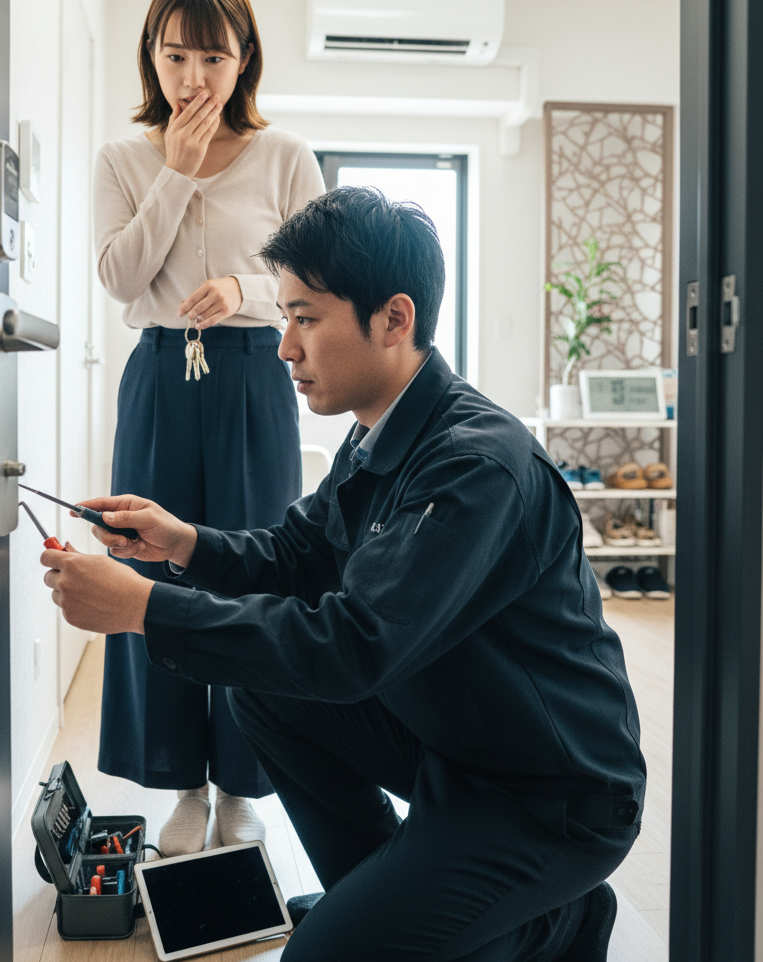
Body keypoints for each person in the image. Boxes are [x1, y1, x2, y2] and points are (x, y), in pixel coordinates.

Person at [46, 187, 646, 962]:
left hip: (550, 793)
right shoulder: (379, 433)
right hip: (462, 742)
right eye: (286, 317)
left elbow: (353, 646)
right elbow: (297, 555)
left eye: (304, 319)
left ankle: (551, 921)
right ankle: (386, 889)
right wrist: (182, 542)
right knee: (259, 685)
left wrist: (148, 610)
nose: (283, 347)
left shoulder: (475, 466)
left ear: (393, 319)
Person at [93, 0, 326, 857]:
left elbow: (318, 286)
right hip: (158, 376)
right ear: (151, 55)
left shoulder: (285, 157)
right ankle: (181, 780)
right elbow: (120, 277)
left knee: (252, 576)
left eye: (212, 57)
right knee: (150, 572)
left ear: (244, 60)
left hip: (255, 381)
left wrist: (247, 287)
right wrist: (177, 174)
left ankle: (244, 779)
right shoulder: (125, 159)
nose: (192, 78)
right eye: (175, 53)